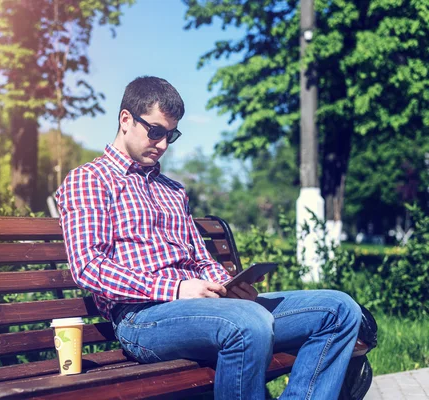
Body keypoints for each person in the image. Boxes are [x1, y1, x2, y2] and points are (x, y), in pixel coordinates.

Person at [56, 76, 361, 400]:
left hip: (206, 307)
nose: (162, 145)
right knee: (249, 324)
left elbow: (200, 259)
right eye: (156, 131)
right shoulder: (90, 179)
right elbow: (88, 266)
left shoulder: (173, 190)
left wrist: (228, 287)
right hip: (142, 318)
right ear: (126, 119)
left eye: (170, 135)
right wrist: (175, 289)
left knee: (340, 309)